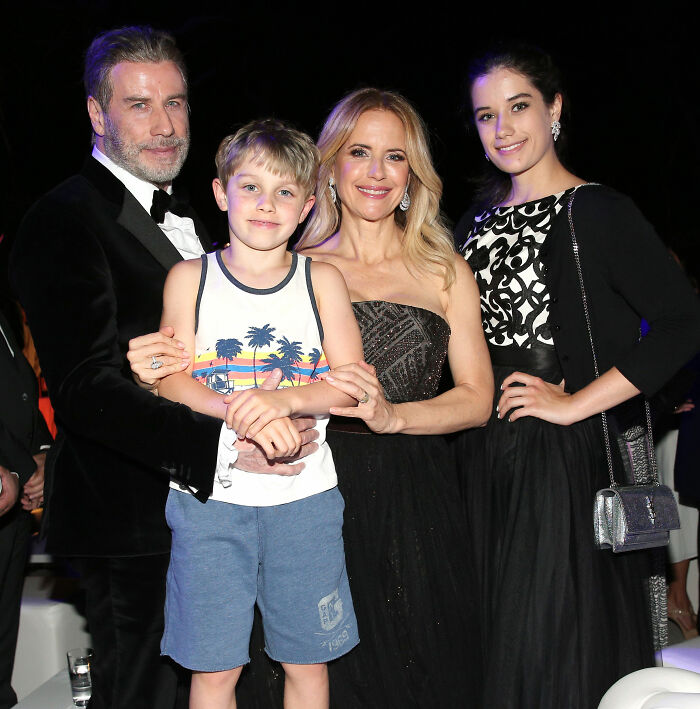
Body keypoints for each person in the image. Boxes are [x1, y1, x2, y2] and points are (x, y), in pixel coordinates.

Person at [9, 26, 317, 709]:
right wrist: (227, 447)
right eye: (140, 104)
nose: (165, 125)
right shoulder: (62, 219)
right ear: (97, 113)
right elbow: (85, 388)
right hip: (130, 520)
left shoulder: (209, 220)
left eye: (175, 102)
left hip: (224, 513)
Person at [453, 44, 700, 708]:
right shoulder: (472, 223)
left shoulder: (599, 210)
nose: (502, 128)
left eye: (518, 107)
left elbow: (683, 322)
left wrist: (575, 403)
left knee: (552, 645)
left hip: (566, 460)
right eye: (485, 115)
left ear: (554, 108)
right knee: (492, 637)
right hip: (481, 453)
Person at [294, 88, 493, 708]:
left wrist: (394, 417)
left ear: (413, 174)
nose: (377, 172)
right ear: (330, 166)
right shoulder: (292, 267)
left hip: (417, 496)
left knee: (425, 665)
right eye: (359, 152)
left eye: (395, 156)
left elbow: (477, 399)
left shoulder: (445, 271)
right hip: (311, 489)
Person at [156, 119, 363, 709]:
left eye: (285, 191)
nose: (266, 205)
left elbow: (351, 387)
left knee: (307, 664)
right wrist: (242, 412)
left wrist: (284, 401)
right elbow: (170, 380)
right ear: (221, 193)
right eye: (250, 187)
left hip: (305, 502)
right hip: (208, 504)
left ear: (306, 208)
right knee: (214, 671)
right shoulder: (188, 278)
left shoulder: (322, 280)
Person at [0, 306, 51, 709]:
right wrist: (20, 467)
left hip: (11, 509)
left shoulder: (5, 312)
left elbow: (20, 392)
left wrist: (43, 455)